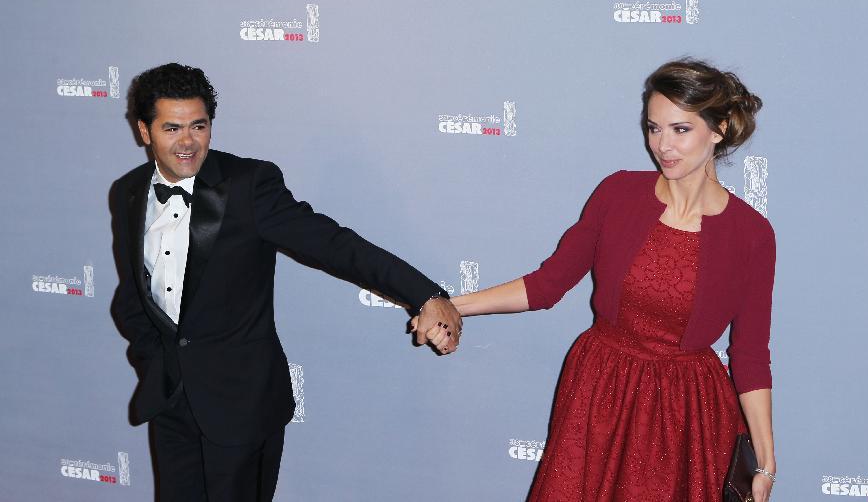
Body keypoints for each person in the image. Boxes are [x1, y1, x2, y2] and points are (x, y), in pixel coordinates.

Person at [415, 59, 777, 501]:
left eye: (680, 130)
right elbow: (547, 286)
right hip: (601, 388)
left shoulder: (751, 235)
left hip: (686, 410)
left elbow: (751, 354)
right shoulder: (618, 193)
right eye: (654, 128)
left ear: (718, 129)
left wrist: (764, 458)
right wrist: (446, 303)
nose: (663, 145)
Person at [110, 63, 462, 502]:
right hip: (171, 403)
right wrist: (152, 360)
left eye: (198, 126)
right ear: (144, 131)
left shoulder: (248, 186)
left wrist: (425, 293)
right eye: (171, 128)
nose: (187, 142)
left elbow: (336, 245)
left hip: (241, 407)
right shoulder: (127, 192)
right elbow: (132, 295)